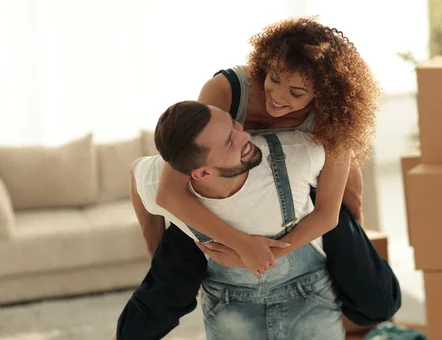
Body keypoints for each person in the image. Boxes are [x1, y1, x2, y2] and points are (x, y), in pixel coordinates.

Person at [115, 17, 401, 339]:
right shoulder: (225, 89)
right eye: (274, 78)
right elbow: (170, 190)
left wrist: (260, 256)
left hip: (303, 196)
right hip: (222, 191)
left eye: (296, 91)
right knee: (165, 288)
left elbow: (334, 205)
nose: (278, 96)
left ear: (323, 93)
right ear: (266, 62)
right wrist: (240, 245)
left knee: (375, 294)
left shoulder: (332, 117)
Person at [121, 101, 344, 339]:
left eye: (233, 124)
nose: (245, 135)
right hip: (228, 307)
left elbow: (341, 149)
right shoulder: (157, 183)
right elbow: (137, 176)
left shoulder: (295, 155)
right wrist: (156, 253)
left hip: (309, 296)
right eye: (229, 142)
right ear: (202, 173)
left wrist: (254, 255)